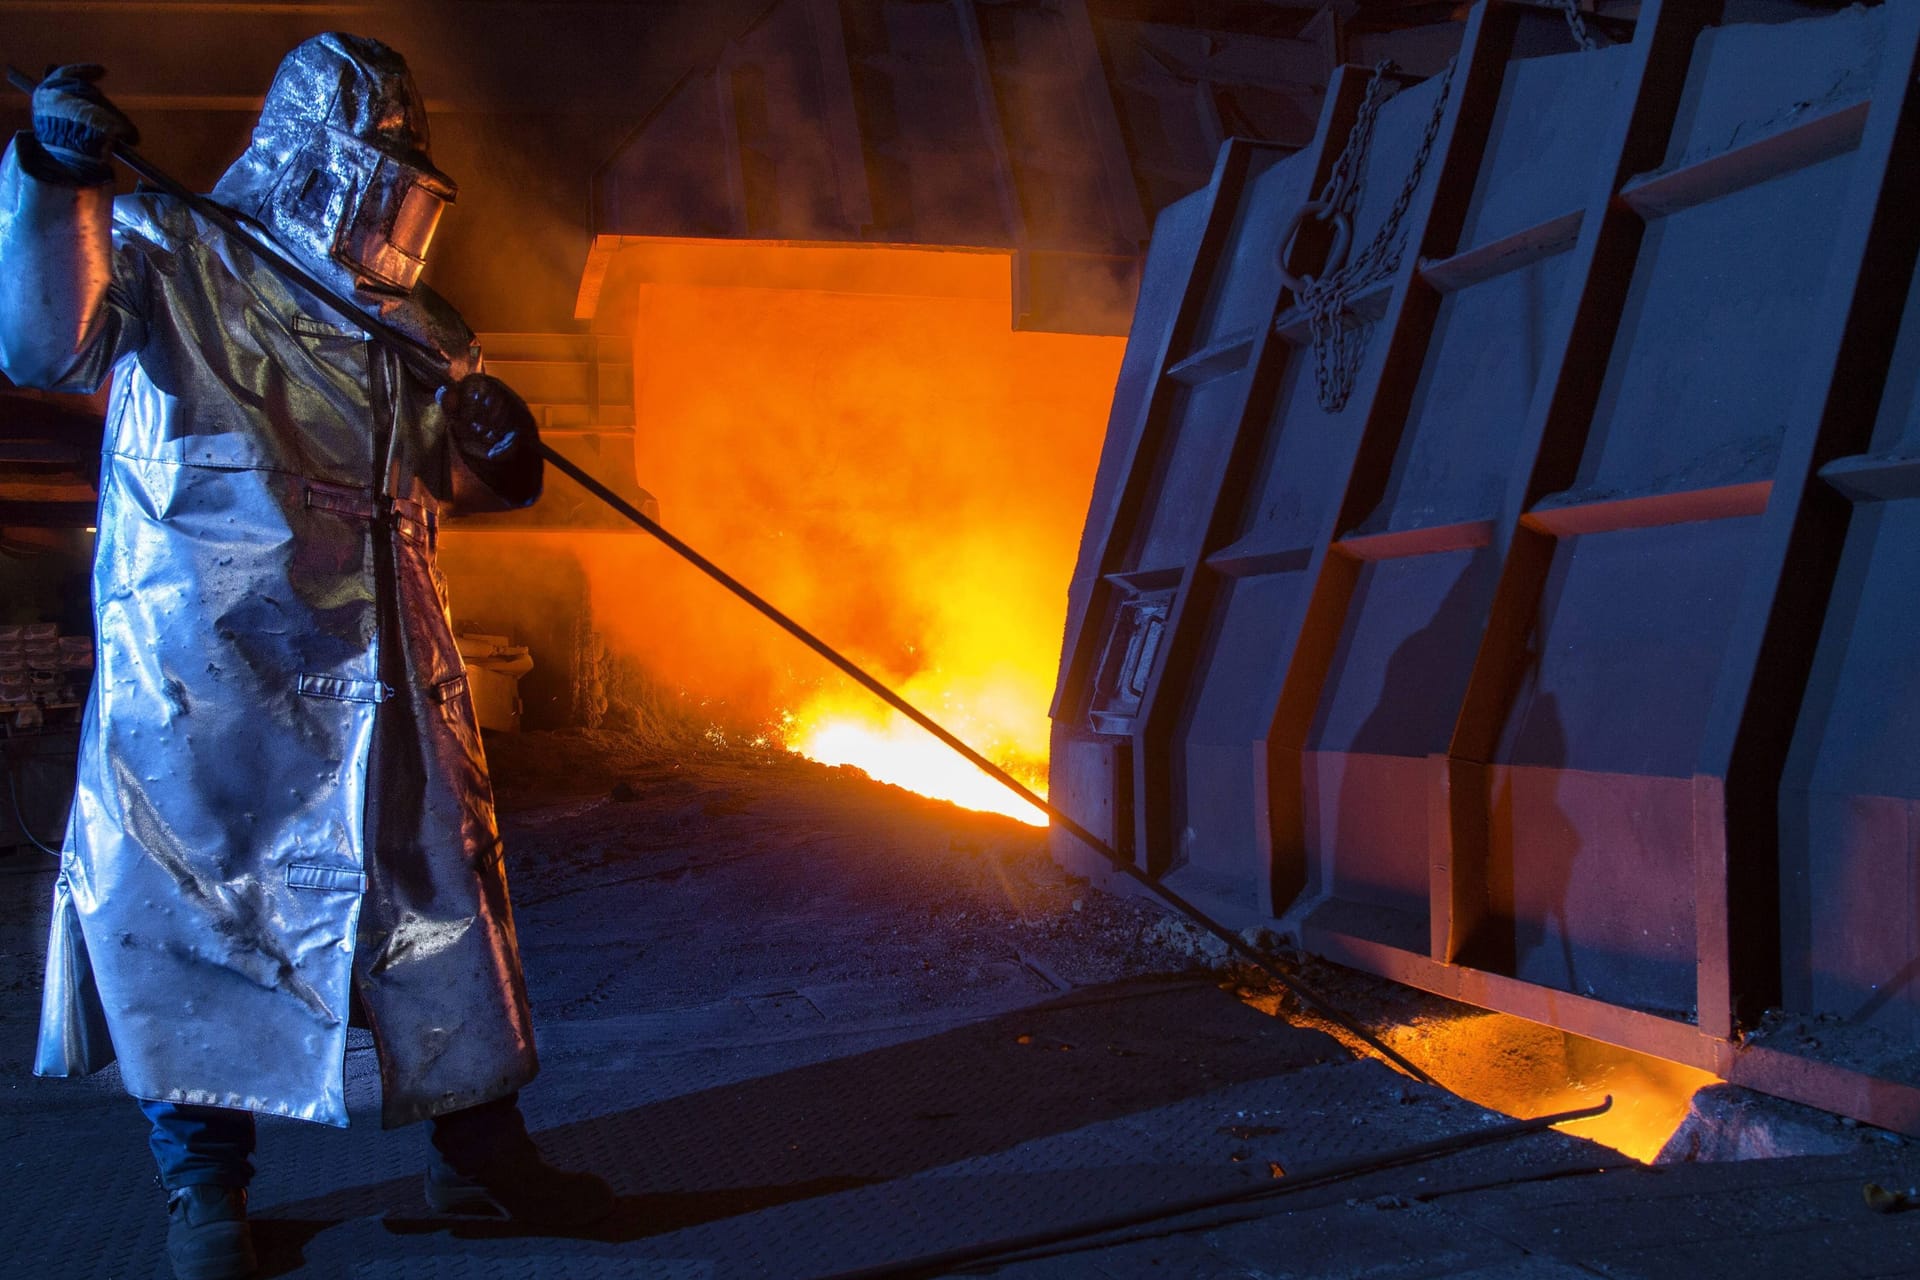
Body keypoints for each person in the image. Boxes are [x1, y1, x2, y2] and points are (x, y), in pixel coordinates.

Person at [0, 35, 611, 1280]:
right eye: (378, 168)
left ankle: (479, 1157)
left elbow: (446, 473)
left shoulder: (410, 322)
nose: (396, 203)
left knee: (435, 902)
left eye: (408, 175)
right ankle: (203, 1189)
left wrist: (496, 445)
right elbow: (39, 345)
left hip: (386, 669)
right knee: (198, 910)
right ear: (314, 156)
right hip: (204, 665)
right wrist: (55, 182)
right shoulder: (174, 259)